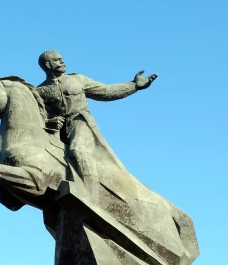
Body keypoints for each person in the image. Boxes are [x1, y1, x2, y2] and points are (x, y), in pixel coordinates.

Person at [36, 50, 157, 197]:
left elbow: (106, 91)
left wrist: (134, 86)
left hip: (80, 123)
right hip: (58, 133)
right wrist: (49, 121)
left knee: (78, 151)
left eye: (62, 59)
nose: (63, 61)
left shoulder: (77, 79)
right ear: (48, 64)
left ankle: (90, 197)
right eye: (58, 60)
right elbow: (37, 118)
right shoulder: (39, 91)